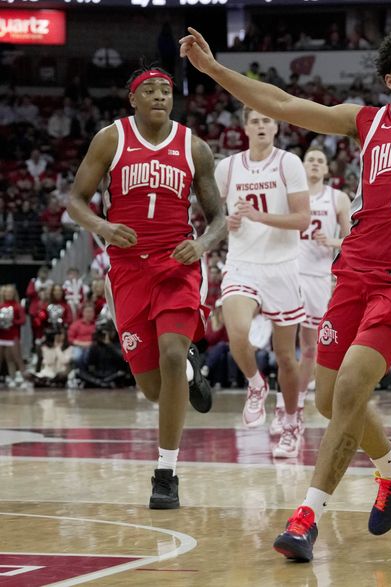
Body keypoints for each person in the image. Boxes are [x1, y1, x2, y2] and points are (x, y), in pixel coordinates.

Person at [180, 25, 391, 560]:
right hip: (353, 275)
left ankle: (305, 516)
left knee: (353, 390)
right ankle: (389, 475)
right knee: (328, 399)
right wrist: (217, 72)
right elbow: (285, 103)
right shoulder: (369, 121)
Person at [66, 65, 226, 509]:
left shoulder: (194, 146)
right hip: (127, 269)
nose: (159, 95)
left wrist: (203, 244)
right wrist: (102, 225)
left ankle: (166, 472)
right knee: (155, 388)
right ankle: (191, 373)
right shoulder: (110, 139)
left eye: (165, 90)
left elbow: (218, 219)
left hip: (177, 264)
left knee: (172, 353)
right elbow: (76, 200)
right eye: (149, 90)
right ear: (132, 98)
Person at [214, 106, 311, 459]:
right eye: (254, 120)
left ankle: (290, 421)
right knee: (237, 331)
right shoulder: (228, 167)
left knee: (286, 356)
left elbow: (302, 219)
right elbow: (214, 218)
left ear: (276, 127)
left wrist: (258, 216)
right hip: (242, 264)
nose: (261, 125)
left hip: (283, 267)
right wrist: (230, 221)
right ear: (244, 127)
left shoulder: (289, 163)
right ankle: (256, 384)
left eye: (266, 120)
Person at [295, 147, 351, 411]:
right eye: (311, 160)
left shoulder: (337, 198)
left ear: (327, 169)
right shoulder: (292, 196)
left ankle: (308, 389)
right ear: (303, 166)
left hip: (319, 277)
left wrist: (332, 241)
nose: (315, 164)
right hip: (290, 274)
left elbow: (353, 240)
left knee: (311, 344)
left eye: (320, 161)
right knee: (284, 339)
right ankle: (291, 392)